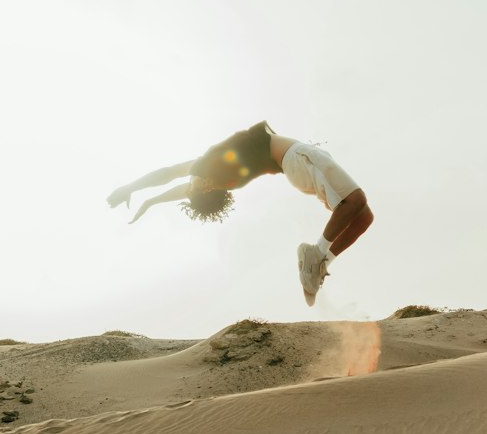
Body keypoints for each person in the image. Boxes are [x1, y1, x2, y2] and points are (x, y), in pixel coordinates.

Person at [106, 121, 373, 306]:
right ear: (211, 191)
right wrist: (142, 194)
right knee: (354, 201)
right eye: (199, 188)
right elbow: (174, 180)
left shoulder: (210, 175)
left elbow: (172, 181)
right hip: (298, 158)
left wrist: (146, 198)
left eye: (193, 186)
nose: (193, 184)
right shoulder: (210, 168)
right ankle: (315, 255)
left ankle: (322, 260)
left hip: (299, 164)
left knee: (363, 217)